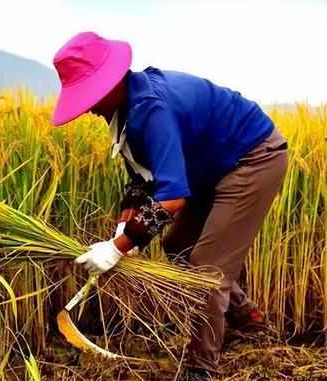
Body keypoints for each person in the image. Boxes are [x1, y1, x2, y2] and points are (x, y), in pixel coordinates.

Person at [51, 32, 288, 381]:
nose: (88, 107)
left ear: (111, 81)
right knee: (176, 246)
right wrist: (124, 228)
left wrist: (117, 249)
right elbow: (141, 181)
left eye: (91, 94)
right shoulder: (123, 109)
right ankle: (247, 321)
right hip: (210, 167)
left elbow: (172, 198)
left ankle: (199, 369)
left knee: (207, 270)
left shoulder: (151, 109)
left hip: (251, 160)